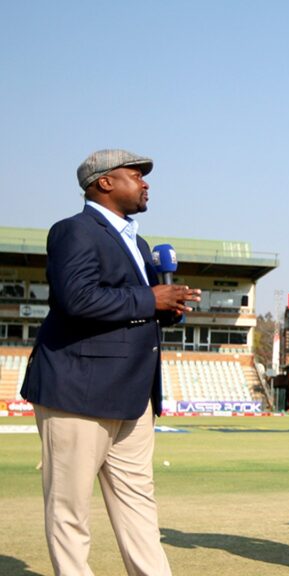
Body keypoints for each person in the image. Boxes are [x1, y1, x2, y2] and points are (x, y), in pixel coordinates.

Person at [21, 149, 201, 575]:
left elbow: (128, 308)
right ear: (104, 182)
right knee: (70, 508)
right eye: (135, 175)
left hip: (133, 393)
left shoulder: (137, 242)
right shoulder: (74, 231)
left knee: (139, 505)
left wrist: (166, 307)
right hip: (78, 389)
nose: (145, 183)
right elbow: (75, 299)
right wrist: (148, 298)